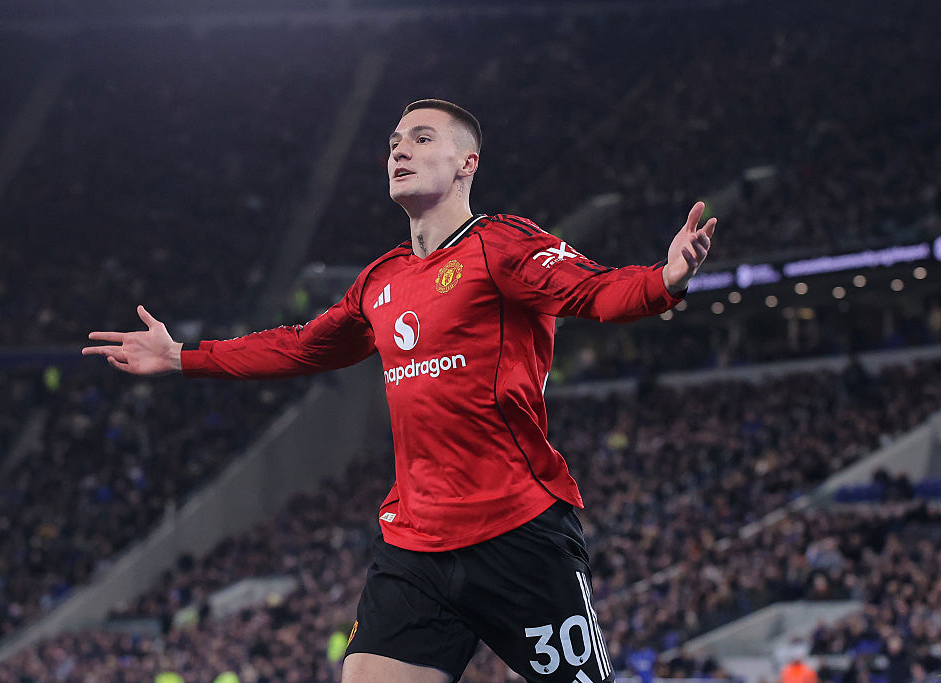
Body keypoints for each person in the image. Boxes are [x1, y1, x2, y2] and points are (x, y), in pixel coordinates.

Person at [83, 99, 717, 682]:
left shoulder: (504, 245)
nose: (399, 151)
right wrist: (182, 358)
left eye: (420, 138)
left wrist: (667, 277)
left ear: (468, 162)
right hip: (415, 545)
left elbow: (595, 290)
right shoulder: (380, 280)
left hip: (518, 534)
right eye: (393, 143)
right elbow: (302, 345)